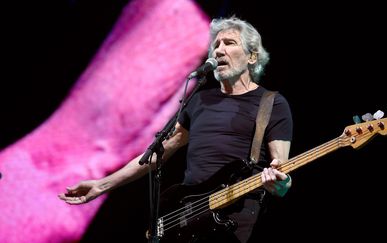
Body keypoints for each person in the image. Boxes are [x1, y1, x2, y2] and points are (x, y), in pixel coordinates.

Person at [59, 16, 293, 243]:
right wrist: (102, 184)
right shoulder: (199, 100)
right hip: (189, 219)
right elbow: (154, 155)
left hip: (237, 220)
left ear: (252, 56)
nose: (218, 51)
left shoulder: (272, 103)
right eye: (216, 45)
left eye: (229, 43)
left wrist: (281, 183)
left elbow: (281, 174)